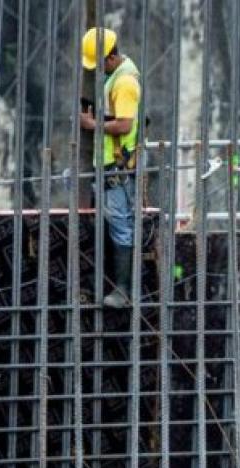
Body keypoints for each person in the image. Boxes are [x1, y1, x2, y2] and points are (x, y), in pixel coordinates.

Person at [79, 27, 143, 309]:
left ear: (110, 58)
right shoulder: (115, 76)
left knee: (121, 225)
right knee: (107, 220)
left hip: (117, 165)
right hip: (106, 163)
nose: (98, 70)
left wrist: (94, 125)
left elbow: (126, 124)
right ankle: (103, 280)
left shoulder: (125, 82)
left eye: (99, 64)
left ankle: (124, 290)